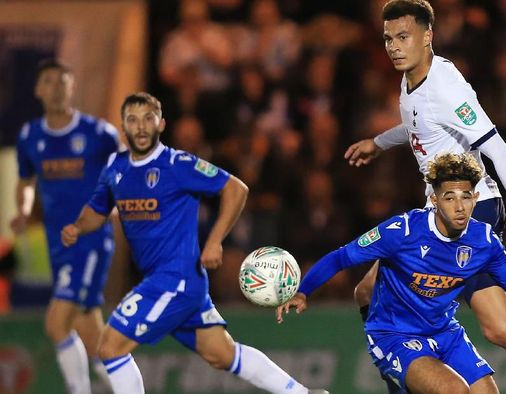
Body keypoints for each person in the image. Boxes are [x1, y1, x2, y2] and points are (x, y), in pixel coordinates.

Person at [343, 0, 506, 391]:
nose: (394, 47)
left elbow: (498, 150)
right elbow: (419, 125)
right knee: (368, 290)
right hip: (439, 210)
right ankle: (400, 376)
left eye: (403, 37)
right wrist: (379, 143)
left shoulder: (445, 88)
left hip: (471, 207)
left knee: (498, 326)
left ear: (427, 36)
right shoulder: (412, 77)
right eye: (388, 39)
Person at [278, 153, 506, 394]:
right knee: (454, 391)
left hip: (444, 332)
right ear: (434, 199)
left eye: (466, 196)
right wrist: (304, 290)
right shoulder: (401, 232)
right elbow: (341, 257)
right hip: (395, 335)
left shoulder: (483, 240)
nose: (460, 206)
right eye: (450, 197)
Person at [60, 92, 327, 394]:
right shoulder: (115, 169)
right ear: (123, 126)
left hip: (174, 278)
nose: (141, 126)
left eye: (148, 118)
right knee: (222, 353)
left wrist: (214, 241)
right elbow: (97, 212)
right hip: (169, 281)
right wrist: (76, 227)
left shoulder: (177, 164)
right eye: (133, 120)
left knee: (110, 346)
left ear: (161, 123)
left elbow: (236, 189)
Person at [12, 59, 120, 393]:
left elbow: (123, 174)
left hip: (90, 239)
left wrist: (115, 206)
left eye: (63, 81)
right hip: (58, 243)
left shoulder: (98, 133)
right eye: (49, 81)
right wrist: (23, 210)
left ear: (73, 88)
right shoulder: (31, 136)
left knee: (56, 323)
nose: (57, 88)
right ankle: (129, 386)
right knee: (92, 335)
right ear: (38, 89)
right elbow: (25, 181)